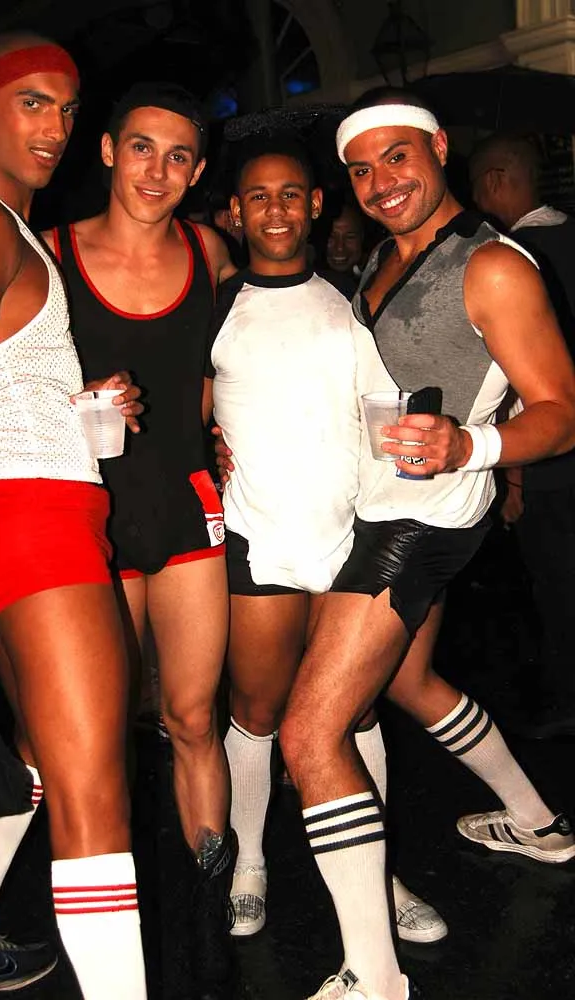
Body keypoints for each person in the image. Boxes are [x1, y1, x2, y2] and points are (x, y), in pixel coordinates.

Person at [274, 88, 575, 1000]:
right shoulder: (381, 261)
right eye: (361, 169)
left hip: (419, 518)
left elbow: (561, 412)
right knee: (406, 682)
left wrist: (468, 446)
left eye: (397, 156)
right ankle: (539, 823)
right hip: (389, 502)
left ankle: (374, 975)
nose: (381, 183)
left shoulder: (494, 266)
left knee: (310, 733)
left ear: (440, 148)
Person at [0, 32, 148, 1000]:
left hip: (38, 512)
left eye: (66, 106)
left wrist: (71, 402)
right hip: (30, 524)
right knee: (96, 800)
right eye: (31, 102)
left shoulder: (1, 226)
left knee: (45, 763)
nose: (55, 125)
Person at [210, 134, 447, 947]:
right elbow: (184, 413)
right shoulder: (216, 306)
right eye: (258, 196)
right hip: (260, 538)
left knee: (353, 713)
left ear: (316, 205)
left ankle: (377, 876)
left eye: (290, 194)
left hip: (350, 538)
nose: (275, 209)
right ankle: (250, 863)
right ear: (235, 213)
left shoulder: (358, 299)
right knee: (256, 712)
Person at [43, 81, 237, 999]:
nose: (157, 170)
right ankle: (111, 932)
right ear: (109, 151)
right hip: (92, 517)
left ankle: (210, 916)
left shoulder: (210, 251)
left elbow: (227, 364)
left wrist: (228, 424)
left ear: (196, 173)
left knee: (194, 719)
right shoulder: (49, 256)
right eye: (142, 148)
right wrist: (74, 402)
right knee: (103, 734)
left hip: (188, 507)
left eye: (178, 156)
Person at [470, 133, 575, 738]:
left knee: (558, 582)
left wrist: (511, 478)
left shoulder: (508, 260)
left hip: (549, 460)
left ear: (494, 182)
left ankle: (567, 701)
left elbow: (513, 379)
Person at [316, 194, 367, 299]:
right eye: (331, 237)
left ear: (362, 237)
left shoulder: (379, 278)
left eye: (350, 237)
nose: (339, 247)